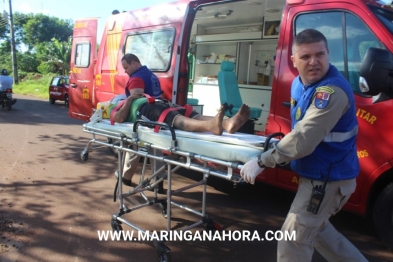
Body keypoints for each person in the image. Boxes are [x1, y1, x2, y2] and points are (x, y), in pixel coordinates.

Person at [240, 29, 367, 262]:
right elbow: (300, 129)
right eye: (306, 57)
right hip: (319, 174)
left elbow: (304, 139)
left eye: (320, 54)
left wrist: (262, 161)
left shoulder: (331, 92)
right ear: (294, 60)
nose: (314, 62)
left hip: (327, 181)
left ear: (329, 54)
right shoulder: (299, 84)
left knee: (293, 240)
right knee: (318, 232)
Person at [111, 93, 250, 184]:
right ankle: (211, 125)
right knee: (174, 118)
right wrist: (129, 99)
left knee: (188, 113)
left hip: (159, 104)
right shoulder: (119, 106)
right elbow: (119, 118)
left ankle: (227, 123)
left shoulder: (134, 99)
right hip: (147, 110)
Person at [117, 53, 163, 188]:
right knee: (155, 147)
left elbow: (136, 101)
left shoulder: (137, 78)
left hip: (144, 118)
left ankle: (126, 177)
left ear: (134, 64)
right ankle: (158, 181)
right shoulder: (151, 74)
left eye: (126, 68)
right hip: (157, 114)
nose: (125, 71)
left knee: (135, 143)